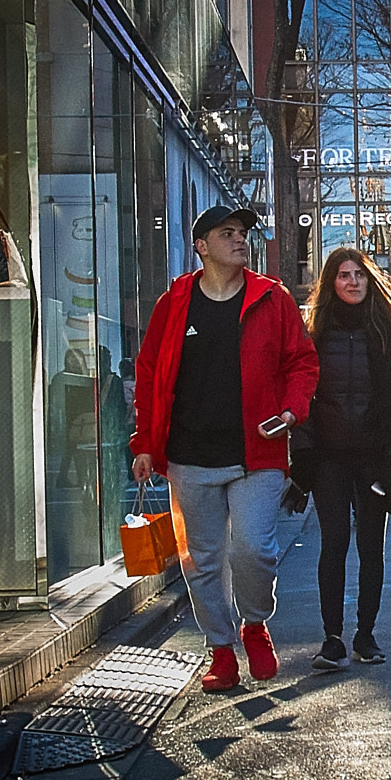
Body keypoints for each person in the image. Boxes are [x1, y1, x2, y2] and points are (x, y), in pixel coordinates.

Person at [131, 206, 318, 693]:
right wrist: (146, 444)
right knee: (202, 560)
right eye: (227, 233)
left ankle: (254, 625)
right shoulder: (174, 302)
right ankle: (220, 650)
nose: (239, 240)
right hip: (189, 456)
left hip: (258, 453)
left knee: (253, 548)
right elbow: (150, 374)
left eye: (243, 233)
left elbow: (302, 361)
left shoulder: (271, 298)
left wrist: (292, 411)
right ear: (202, 246)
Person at [294, 249, 391, 671]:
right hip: (330, 458)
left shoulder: (388, 334)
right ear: (330, 283)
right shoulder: (313, 334)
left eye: (359, 275)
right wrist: (304, 457)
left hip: (374, 460)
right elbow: (303, 400)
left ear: (370, 281)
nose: (352, 282)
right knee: (332, 545)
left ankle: (364, 635)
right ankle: (332, 639)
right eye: (343, 275)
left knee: (372, 549)